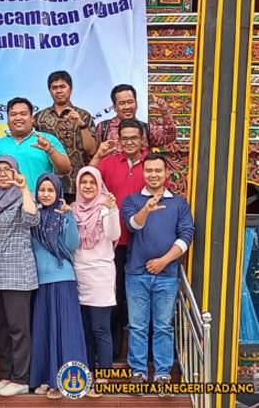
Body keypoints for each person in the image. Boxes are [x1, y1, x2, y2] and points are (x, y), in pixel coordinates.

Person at [122, 153, 194, 393]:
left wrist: (164, 261)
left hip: (167, 274)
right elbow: (132, 225)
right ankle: (138, 372)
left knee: (163, 326)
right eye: (149, 170)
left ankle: (163, 373)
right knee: (137, 326)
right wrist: (146, 209)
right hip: (136, 274)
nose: (153, 174)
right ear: (143, 173)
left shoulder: (179, 204)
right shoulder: (132, 200)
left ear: (166, 174)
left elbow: (186, 236)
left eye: (158, 170)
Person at [90, 118, 148, 359]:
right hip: (112, 243)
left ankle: (143, 356)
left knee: (139, 298)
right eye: (125, 138)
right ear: (119, 140)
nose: (129, 142)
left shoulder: (151, 164)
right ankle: (112, 352)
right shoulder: (108, 162)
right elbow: (88, 179)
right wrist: (97, 155)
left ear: (142, 139)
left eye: (134, 138)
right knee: (113, 296)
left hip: (144, 242)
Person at [0, 156, 38, 397]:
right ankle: (6, 374)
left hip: (17, 273)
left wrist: (25, 189)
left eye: (8, 170)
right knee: (0, 326)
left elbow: (32, 219)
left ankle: (20, 378)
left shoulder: (22, 198)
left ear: (16, 173)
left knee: (18, 328)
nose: (3, 174)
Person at [29, 173, 87, 399]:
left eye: (50, 190)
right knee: (44, 331)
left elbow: (73, 244)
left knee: (65, 331)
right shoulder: (32, 217)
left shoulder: (63, 216)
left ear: (58, 193)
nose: (45, 194)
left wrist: (69, 216)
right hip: (40, 282)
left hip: (63, 279)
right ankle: (46, 377)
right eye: (42, 190)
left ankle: (66, 380)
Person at [71, 166, 121, 394]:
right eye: (84, 182)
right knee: (86, 330)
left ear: (100, 185)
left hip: (101, 274)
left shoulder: (105, 208)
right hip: (79, 274)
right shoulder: (73, 210)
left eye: (93, 182)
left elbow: (113, 235)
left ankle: (104, 376)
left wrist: (112, 210)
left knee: (100, 328)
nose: (88, 186)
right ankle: (89, 373)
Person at [0, 97, 71, 196]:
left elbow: (65, 169)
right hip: (7, 204)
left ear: (32, 118)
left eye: (23, 114)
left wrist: (50, 150)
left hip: (41, 202)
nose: (18, 118)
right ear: (7, 120)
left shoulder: (47, 140)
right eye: (13, 114)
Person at [34, 71, 97, 203]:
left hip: (76, 184)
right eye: (54, 88)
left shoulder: (83, 115)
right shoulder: (39, 118)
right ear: (50, 91)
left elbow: (91, 150)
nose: (58, 91)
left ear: (71, 89)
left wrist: (82, 125)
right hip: (48, 184)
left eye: (62, 87)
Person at [95, 84, 176, 156]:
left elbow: (169, 137)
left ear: (136, 104)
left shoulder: (146, 128)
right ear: (115, 107)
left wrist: (165, 112)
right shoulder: (103, 128)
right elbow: (93, 153)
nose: (127, 107)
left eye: (130, 102)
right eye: (122, 103)